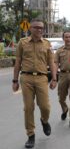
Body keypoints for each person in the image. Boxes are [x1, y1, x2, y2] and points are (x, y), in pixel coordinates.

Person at [12, 19, 57, 148]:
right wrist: (15, 80)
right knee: (28, 108)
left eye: (41, 28)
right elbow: (18, 62)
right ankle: (30, 135)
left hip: (42, 78)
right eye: (36, 27)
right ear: (30, 28)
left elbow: (52, 63)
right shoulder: (22, 43)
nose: (39, 30)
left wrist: (54, 79)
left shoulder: (47, 44)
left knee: (45, 107)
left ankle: (44, 120)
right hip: (26, 78)